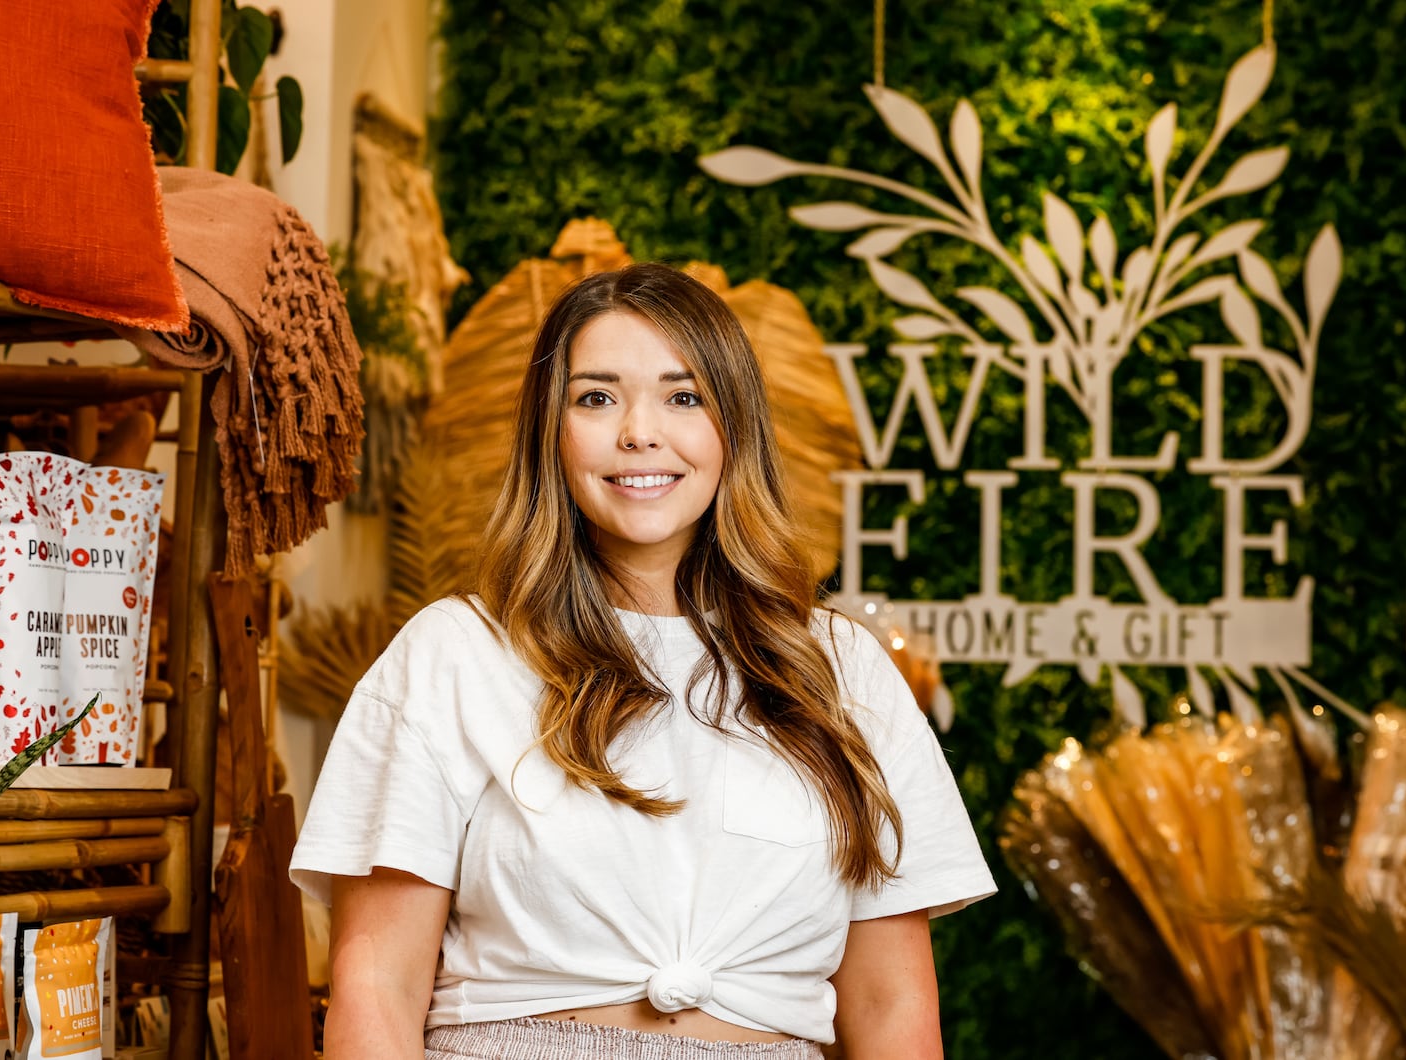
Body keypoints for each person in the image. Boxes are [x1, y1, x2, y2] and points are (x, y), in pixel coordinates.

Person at [290, 263, 995, 1060]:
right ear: (549, 432)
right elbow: (376, 981)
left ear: (734, 428)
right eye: (596, 397)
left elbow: (891, 1001)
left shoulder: (843, 672)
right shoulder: (453, 653)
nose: (639, 432)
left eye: (683, 396)